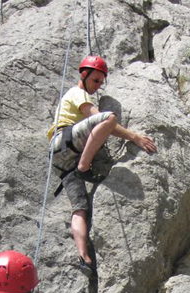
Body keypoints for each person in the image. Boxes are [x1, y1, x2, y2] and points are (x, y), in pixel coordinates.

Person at [47, 55, 157, 277]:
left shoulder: (80, 94)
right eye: (95, 80)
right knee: (109, 118)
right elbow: (102, 120)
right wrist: (134, 136)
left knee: (80, 208)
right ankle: (84, 167)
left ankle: (84, 258)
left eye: (101, 82)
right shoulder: (77, 93)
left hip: (61, 159)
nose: (98, 86)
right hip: (65, 141)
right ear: (83, 75)